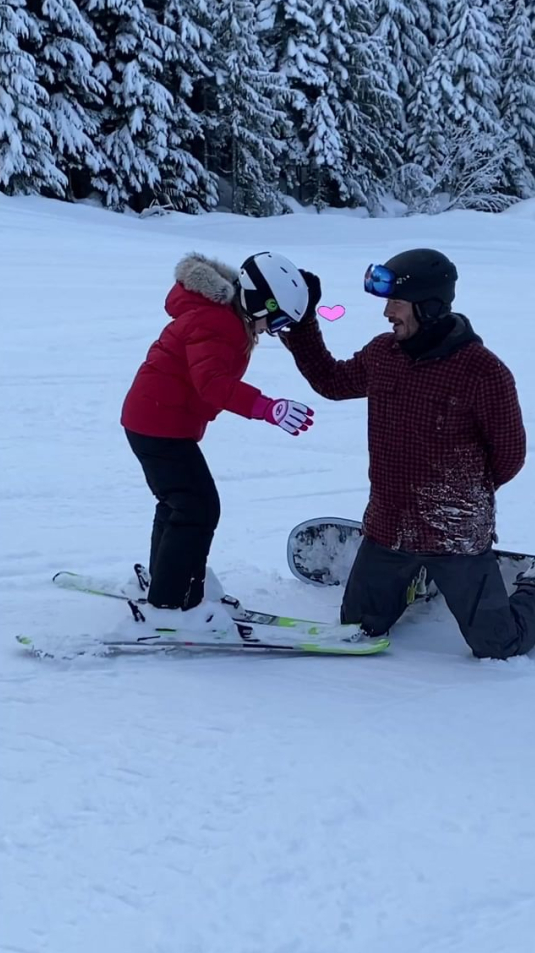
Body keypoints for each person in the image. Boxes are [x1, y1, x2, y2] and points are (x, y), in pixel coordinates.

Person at [284, 248, 535, 660]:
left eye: (396, 303)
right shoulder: (384, 355)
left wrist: (459, 496)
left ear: (430, 306)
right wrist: (303, 322)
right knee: (358, 628)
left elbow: (509, 455)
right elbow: (331, 380)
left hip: (454, 535)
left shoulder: (483, 372)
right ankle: (419, 578)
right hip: (388, 526)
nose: (387, 313)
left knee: (497, 646)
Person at [121, 251, 314, 628]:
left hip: (153, 419)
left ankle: (168, 585)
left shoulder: (225, 317)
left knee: (181, 502)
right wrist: (265, 407)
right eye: (273, 321)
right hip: (159, 423)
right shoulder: (218, 322)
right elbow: (211, 385)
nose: (270, 331)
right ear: (260, 300)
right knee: (197, 507)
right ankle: (171, 604)